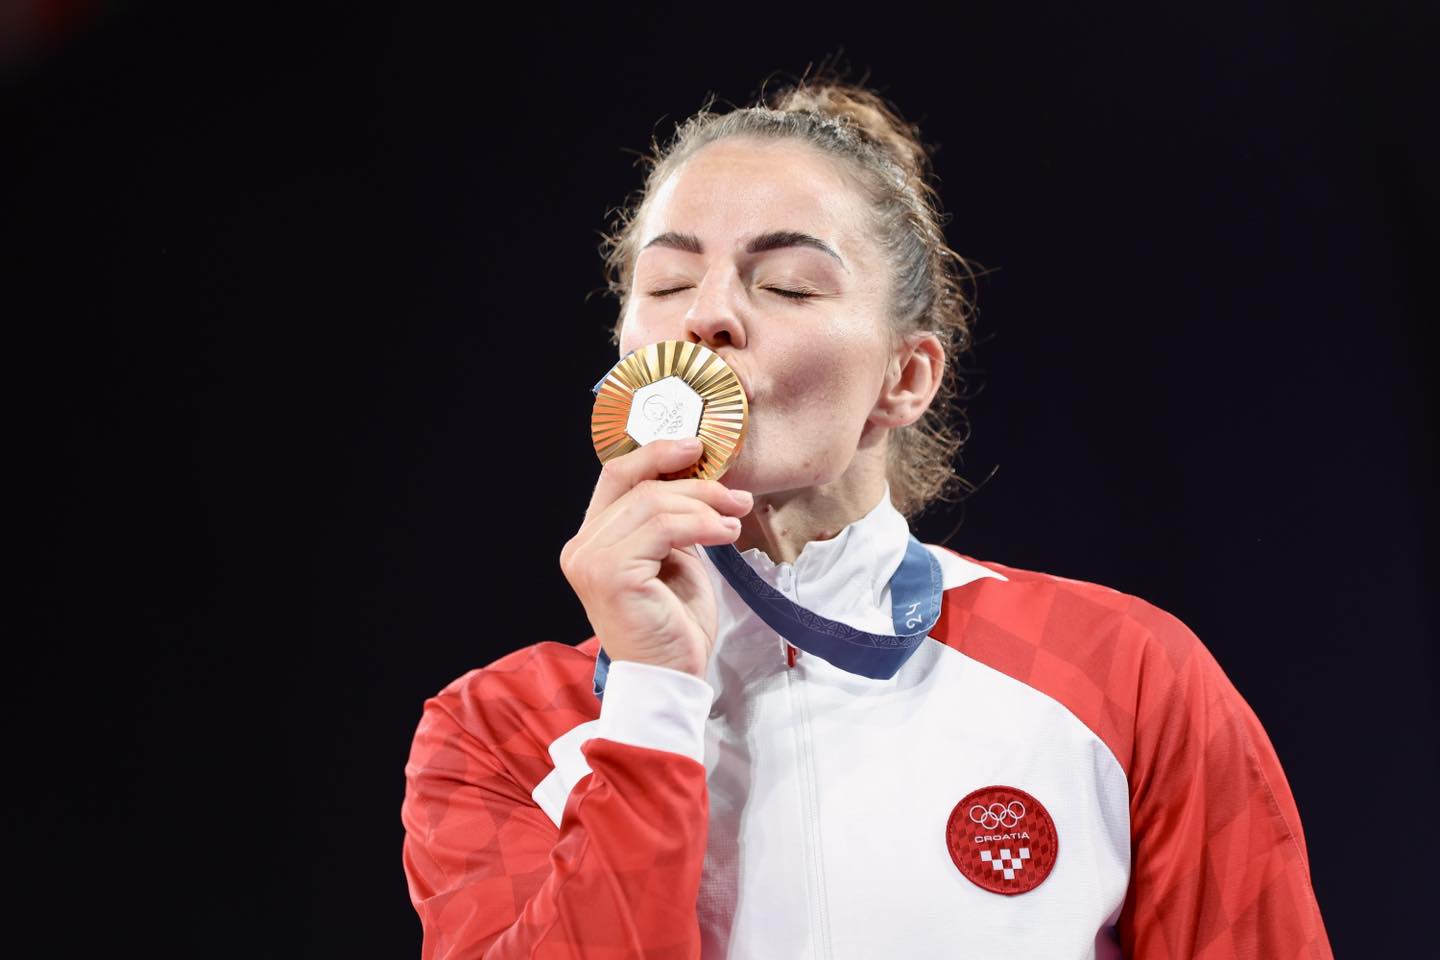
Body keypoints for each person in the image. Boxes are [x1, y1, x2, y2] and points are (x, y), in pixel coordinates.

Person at [400, 73, 1334, 959]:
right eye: (669, 285)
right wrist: (651, 699)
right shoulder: (500, 733)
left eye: (789, 285)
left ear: (906, 376)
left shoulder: (1125, 674)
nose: (710, 317)